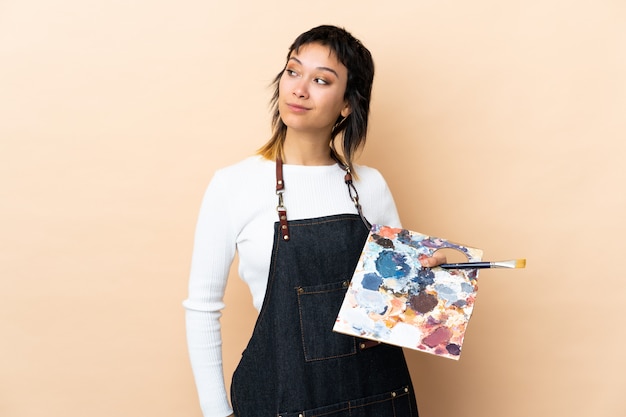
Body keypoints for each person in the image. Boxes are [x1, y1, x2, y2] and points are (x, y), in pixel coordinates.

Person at [183, 25, 445, 417]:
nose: (299, 89)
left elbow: (399, 311)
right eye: (293, 72)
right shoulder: (233, 185)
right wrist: (216, 413)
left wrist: (439, 275)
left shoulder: (369, 186)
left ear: (346, 104)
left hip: (373, 401)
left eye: (321, 80)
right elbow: (202, 307)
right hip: (281, 402)